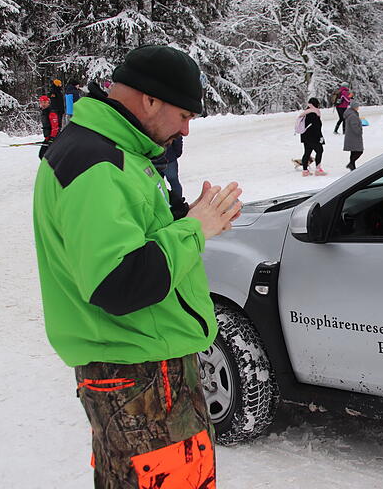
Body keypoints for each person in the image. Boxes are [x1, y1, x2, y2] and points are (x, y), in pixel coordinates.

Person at [32, 45, 242, 488]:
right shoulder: (98, 165)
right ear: (150, 100)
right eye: (184, 115)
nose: (187, 128)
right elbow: (119, 283)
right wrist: (193, 231)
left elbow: (132, 248)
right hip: (141, 374)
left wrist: (189, 222)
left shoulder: (114, 154)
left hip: (142, 368)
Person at [299, 97, 326, 176]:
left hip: (305, 136)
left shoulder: (306, 112)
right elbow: (316, 127)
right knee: (320, 151)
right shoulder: (314, 113)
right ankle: (318, 170)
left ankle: (305, 171)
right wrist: (320, 137)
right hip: (313, 137)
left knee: (307, 152)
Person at [38, 95, 60, 159]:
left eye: (45, 102)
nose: (43, 104)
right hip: (48, 138)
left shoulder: (51, 112)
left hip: (53, 138)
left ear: (48, 103)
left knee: (43, 155)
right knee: (43, 155)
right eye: (41, 102)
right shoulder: (44, 112)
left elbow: (55, 127)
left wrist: (52, 138)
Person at [343, 100, 364, 170]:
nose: (358, 107)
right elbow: (354, 126)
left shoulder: (350, 113)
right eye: (357, 106)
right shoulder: (353, 116)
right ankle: (351, 163)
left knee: (353, 151)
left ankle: (352, 165)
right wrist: (359, 131)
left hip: (350, 136)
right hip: (354, 136)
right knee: (359, 151)